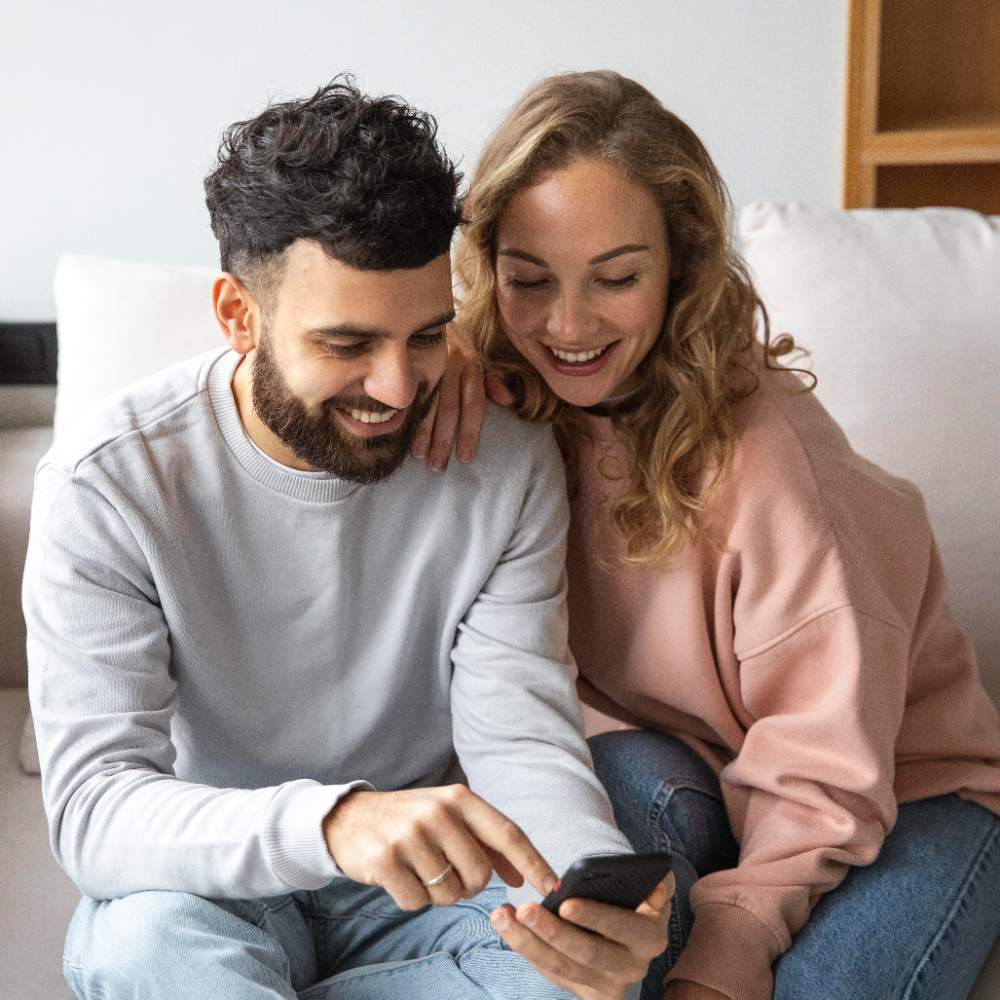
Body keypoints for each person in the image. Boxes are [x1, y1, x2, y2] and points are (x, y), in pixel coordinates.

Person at [22, 79, 673, 1000]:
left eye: (427, 336)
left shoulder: (506, 464)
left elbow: (520, 736)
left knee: (575, 981)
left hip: (428, 897)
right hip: (216, 885)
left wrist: (589, 899)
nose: (400, 387)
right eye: (348, 344)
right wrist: (333, 824)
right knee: (147, 952)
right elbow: (95, 812)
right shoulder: (111, 485)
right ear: (238, 315)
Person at [427, 70, 1000, 1000]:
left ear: (681, 267)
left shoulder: (778, 473)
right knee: (589, 915)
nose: (567, 326)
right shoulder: (502, 403)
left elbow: (828, 776)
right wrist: (434, 347)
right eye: (529, 280)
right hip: (692, 767)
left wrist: (724, 953)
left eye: (615, 279)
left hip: (900, 791)